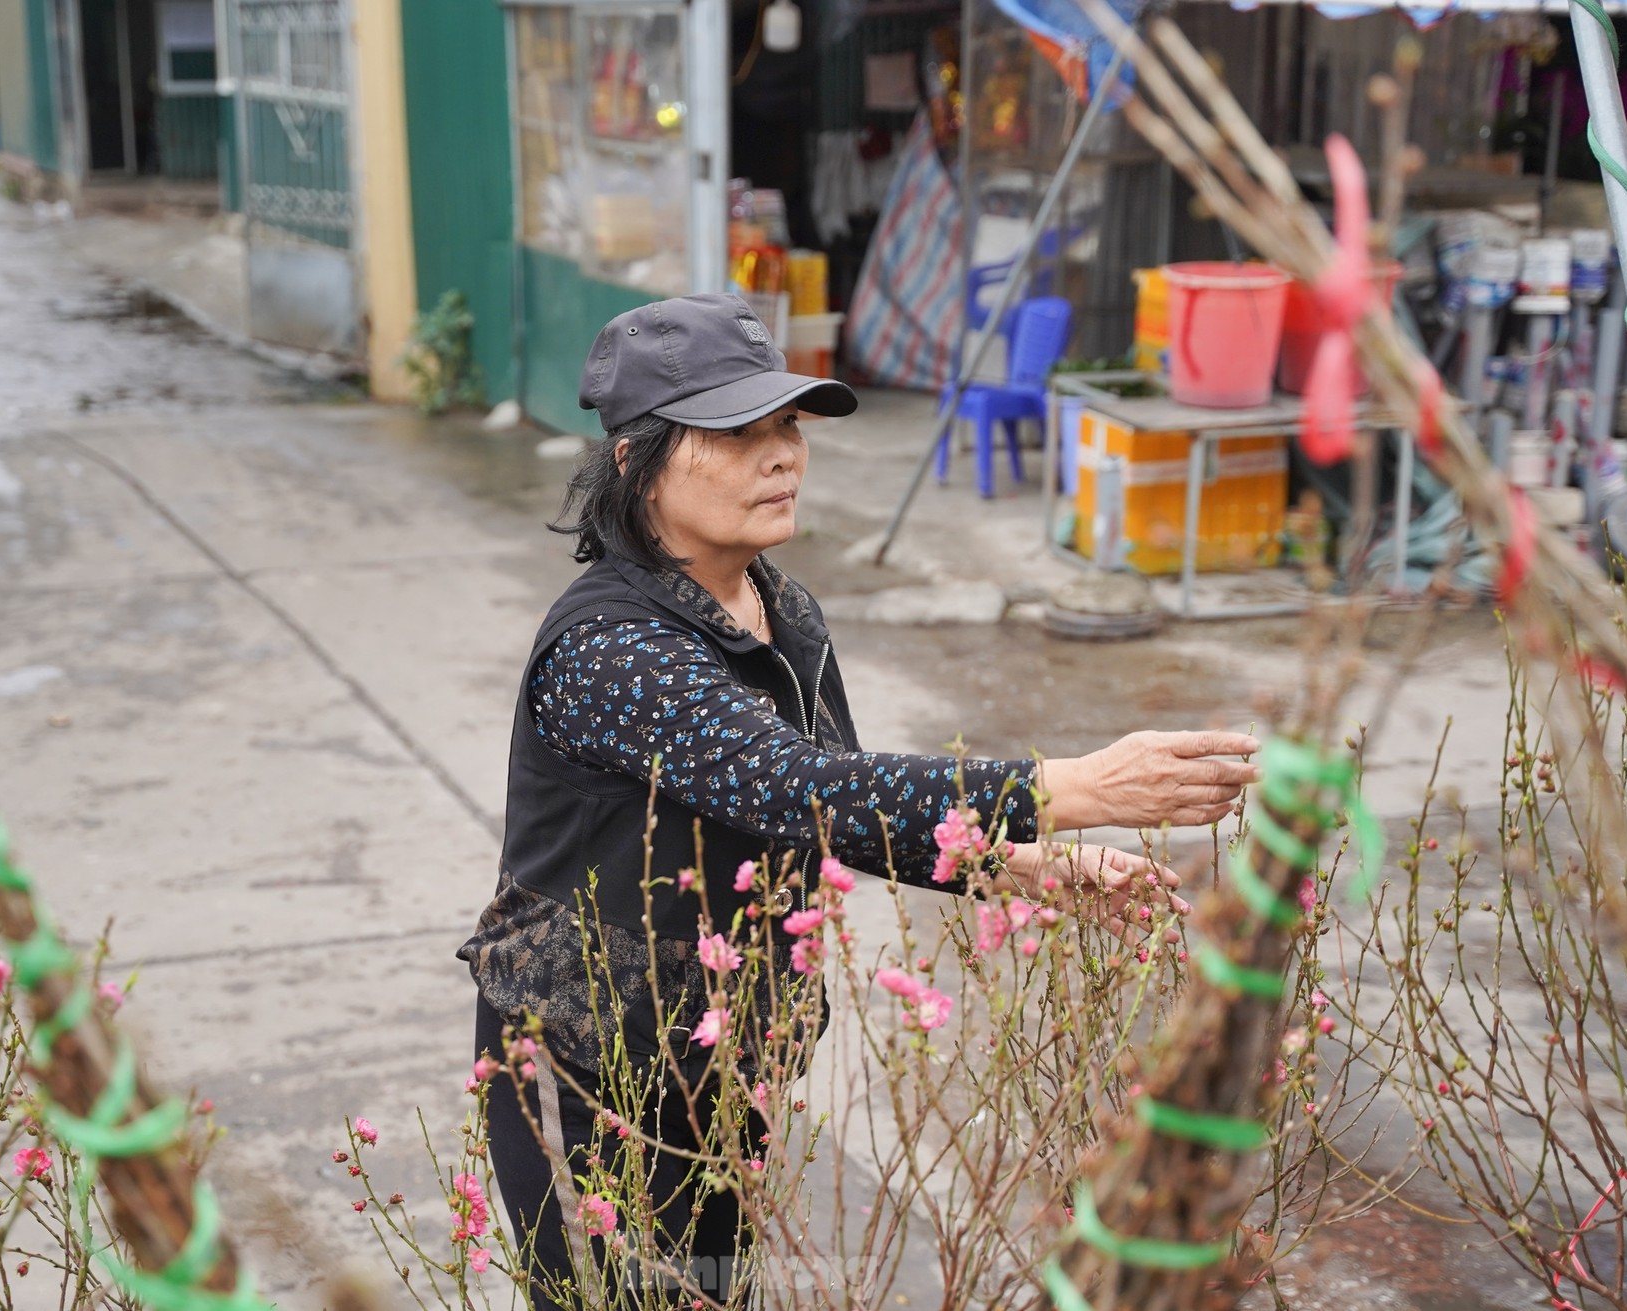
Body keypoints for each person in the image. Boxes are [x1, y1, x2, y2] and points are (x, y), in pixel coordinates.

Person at [457, 293, 1258, 1308]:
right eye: (736, 434)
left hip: (721, 1044)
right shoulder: (614, 649)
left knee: (713, 1289)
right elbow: (801, 787)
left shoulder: (778, 606)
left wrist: (1023, 865)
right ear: (634, 462)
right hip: (586, 1063)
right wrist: (1076, 788)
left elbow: (834, 806)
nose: (781, 455)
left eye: (786, 425)